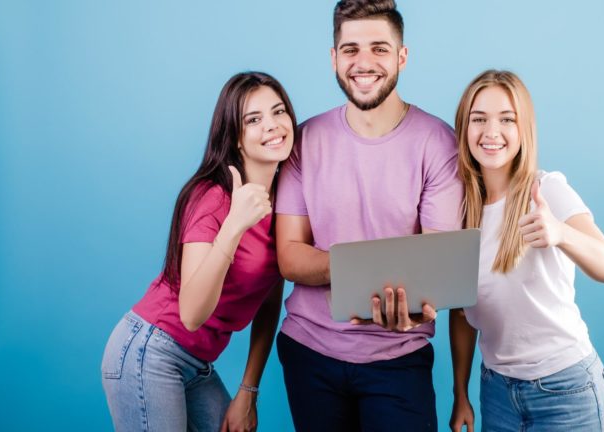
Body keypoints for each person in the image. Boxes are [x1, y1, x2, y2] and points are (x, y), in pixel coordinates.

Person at [274, 1, 463, 430]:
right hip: (309, 352)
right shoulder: (304, 139)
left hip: (399, 357)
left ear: (402, 56)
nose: (363, 63)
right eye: (350, 49)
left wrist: (411, 305)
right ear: (333, 57)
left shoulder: (438, 144)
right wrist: (376, 270)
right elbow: (289, 256)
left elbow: (435, 267)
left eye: (379, 48)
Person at [101, 71, 296, 432]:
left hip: (197, 364)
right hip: (150, 351)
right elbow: (191, 314)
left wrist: (248, 391)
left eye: (278, 111)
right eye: (253, 119)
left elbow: (268, 301)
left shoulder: (284, 205)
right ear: (235, 138)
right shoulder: (212, 197)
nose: (272, 126)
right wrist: (234, 225)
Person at [449, 70, 604, 432]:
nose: (491, 132)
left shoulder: (546, 190)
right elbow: (464, 314)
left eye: (506, 119)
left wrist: (560, 233)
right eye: (478, 119)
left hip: (566, 390)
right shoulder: (459, 210)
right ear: (464, 128)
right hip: (496, 394)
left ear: (523, 129)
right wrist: (460, 393)